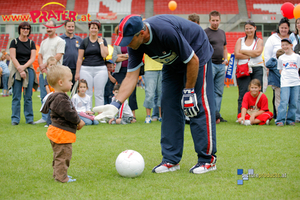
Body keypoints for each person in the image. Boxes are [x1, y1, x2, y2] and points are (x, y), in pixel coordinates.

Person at [93, 14, 216, 174]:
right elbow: (131, 77)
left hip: (197, 55)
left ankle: (207, 160)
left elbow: (193, 60)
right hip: (172, 63)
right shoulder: (135, 44)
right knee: (169, 107)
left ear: (142, 33)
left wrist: (188, 91)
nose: (127, 44)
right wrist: (116, 104)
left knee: (197, 104)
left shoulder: (165, 32)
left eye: (129, 39)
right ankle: (171, 160)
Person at [41, 65, 85, 183]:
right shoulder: (60, 98)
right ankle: (61, 177)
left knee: (59, 155)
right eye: (70, 81)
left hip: (57, 131)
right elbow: (68, 113)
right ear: (60, 82)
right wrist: (78, 121)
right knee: (63, 155)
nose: (72, 84)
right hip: (61, 133)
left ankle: (58, 174)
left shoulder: (57, 96)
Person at [35, 20, 65, 124]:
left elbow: (58, 56)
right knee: (44, 96)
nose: (49, 29)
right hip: (44, 72)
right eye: (47, 27)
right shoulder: (43, 42)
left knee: (56, 96)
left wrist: (44, 65)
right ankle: (44, 117)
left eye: (50, 27)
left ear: (55, 28)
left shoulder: (60, 41)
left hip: (55, 73)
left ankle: (55, 117)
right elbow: (40, 56)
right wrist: (42, 67)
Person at [8, 22, 38, 125]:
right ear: (19, 29)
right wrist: (20, 70)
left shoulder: (31, 43)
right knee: (16, 96)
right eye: (23, 28)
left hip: (28, 69)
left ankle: (29, 119)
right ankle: (15, 119)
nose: (25, 30)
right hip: (17, 70)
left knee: (28, 96)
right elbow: (13, 57)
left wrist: (24, 68)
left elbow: (32, 58)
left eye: (27, 28)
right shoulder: (14, 42)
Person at [75, 20, 109, 107]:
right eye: (92, 28)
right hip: (86, 69)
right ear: (89, 29)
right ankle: (88, 111)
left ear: (98, 29)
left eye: (95, 28)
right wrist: (77, 72)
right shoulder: (84, 41)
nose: (93, 30)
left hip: (100, 69)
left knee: (99, 93)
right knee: (88, 92)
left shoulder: (103, 40)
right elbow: (79, 58)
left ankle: (100, 114)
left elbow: (105, 54)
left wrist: (101, 43)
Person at [234, 20, 264, 114]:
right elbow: (236, 54)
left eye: (250, 28)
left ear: (255, 28)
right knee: (243, 91)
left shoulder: (259, 41)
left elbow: (258, 52)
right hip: (243, 68)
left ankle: (257, 114)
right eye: (246, 28)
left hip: (257, 68)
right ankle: (241, 114)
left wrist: (242, 51)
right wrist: (252, 54)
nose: (248, 30)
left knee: (258, 91)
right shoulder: (240, 40)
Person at [265, 17, 292, 120]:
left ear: (288, 28)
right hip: (276, 70)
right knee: (278, 95)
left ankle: (290, 116)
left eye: (285, 28)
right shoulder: (273, 38)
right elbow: (267, 55)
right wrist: (269, 67)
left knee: (290, 95)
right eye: (282, 27)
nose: (284, 30)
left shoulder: (292, 37)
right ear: (278, 28)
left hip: (290, 69)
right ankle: (279, 116)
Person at [205, 11, 228, 122]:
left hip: (221, 65)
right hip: (211, 65)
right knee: (209, 90)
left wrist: (226, 59)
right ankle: (211, 114)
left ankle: (217, 115)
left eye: (217, 20)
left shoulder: (222, 32)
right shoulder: (205, 32)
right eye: (213, 20)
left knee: (219, 92)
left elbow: (224, 48)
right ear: (209, 20)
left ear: (220, 20)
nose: (215, 22)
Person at [112, 26, 138, 119]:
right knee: (120, 91)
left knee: (132, 92)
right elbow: (114, 58)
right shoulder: (117, 43)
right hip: (120, 70)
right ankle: (120, 113)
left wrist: (121, 56)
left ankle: (133, 114)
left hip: (131, 70)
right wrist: (126, 55)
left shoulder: (131, 40)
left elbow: (133, 56)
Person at [276, 38, 300, 126]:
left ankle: (290, 120)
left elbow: (298, 68)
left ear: (291, 45)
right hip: (285, 83)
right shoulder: (281, 58)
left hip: (296, 82)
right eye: (283, 45)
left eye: (286, 44)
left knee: (294, 102)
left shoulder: (297, 57)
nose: (284, 47)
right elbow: (280, 70)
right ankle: (280, 120)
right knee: (284, 101)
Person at [60, 19, 83, 87]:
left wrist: (78, 71)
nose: (71, 28)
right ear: (65, 26)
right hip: (64, 68)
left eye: (72, 26)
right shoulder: (60, 39)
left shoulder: (79, 39)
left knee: (75, 90)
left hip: (76, 69)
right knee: (63, 88)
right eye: (69, 26)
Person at [143, 54, 162, 123]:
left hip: (163, 67)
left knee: (161, 94)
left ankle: (161, 116)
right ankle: (148, 116)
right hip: (150, 68)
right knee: (149, 94)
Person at [289, 18, 300, 122]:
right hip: (296, 67)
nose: (299, 24)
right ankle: (297, 116)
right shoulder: (292, 36)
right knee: (297, 94)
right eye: (298, 23)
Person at [43, 57, 57, 127]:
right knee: (50, 109)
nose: (52, 66)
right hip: (51, 95)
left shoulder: (58, 76)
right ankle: (48, 123)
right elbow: (46, 85)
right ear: (47, 66)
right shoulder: (47, 76)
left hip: (57, 95)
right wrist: (49, 94)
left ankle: (56, 122)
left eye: (54, 65)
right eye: (51, 65)